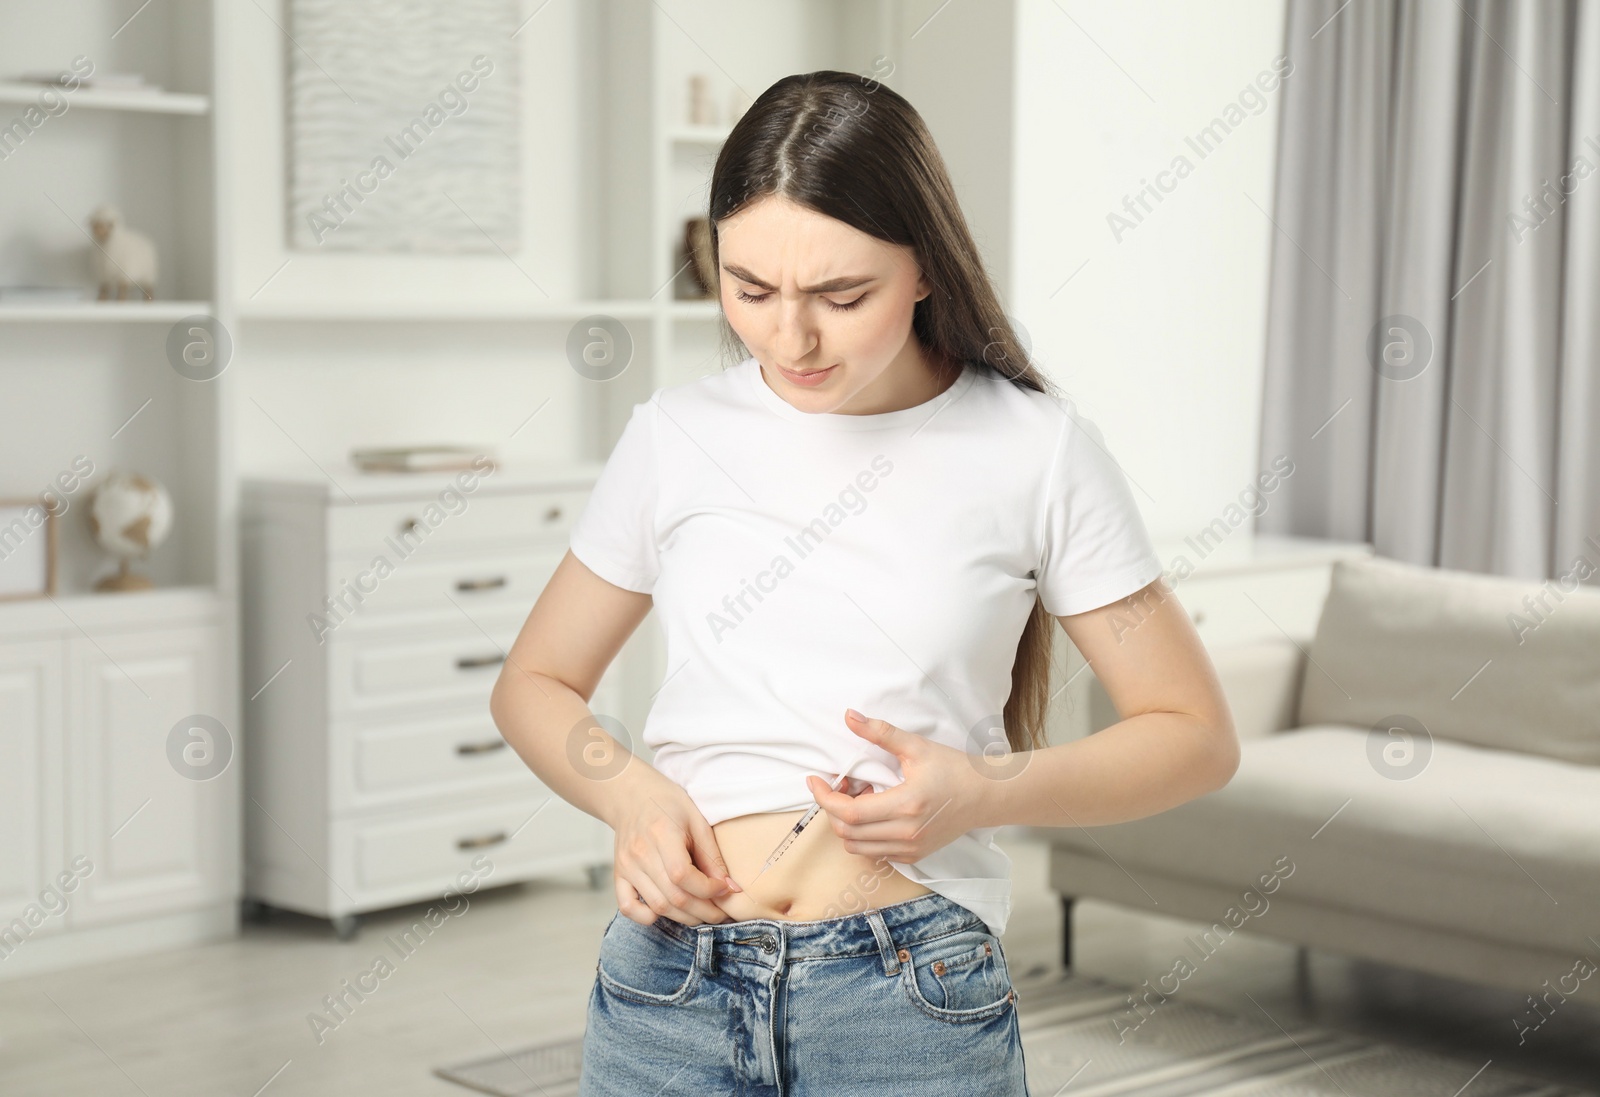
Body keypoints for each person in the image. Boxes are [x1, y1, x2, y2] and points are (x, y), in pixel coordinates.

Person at [489, 69, 1239, 1097]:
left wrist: (982, 791)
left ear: (927, 267)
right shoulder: (674, 437)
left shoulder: (1036, 449)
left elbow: (1192, 732)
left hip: (904, 995)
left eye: (842, 296)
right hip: (667, 981)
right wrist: (629, 797)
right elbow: (532, 682)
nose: (790, 338)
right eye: (748, 288)